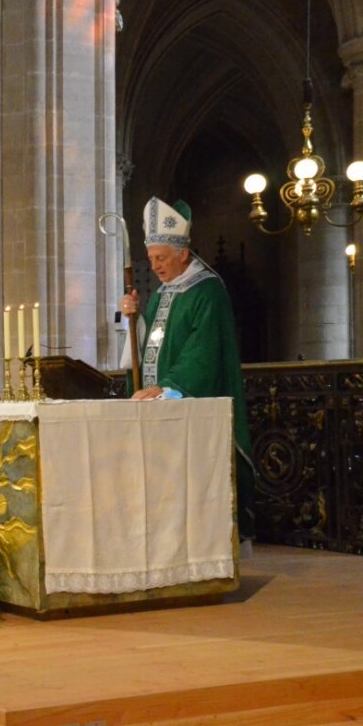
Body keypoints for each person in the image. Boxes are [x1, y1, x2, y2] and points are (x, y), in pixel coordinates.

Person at [120, 196, 255, 540]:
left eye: (161, 258)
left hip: (189, 409)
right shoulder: (159, 295)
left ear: (183, 253)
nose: (155, 267)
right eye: (151, 259)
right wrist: (133, 320)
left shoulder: (207, 292)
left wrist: (167, 387)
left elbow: (204, 354)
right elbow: (150, 347)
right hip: (155, 413)